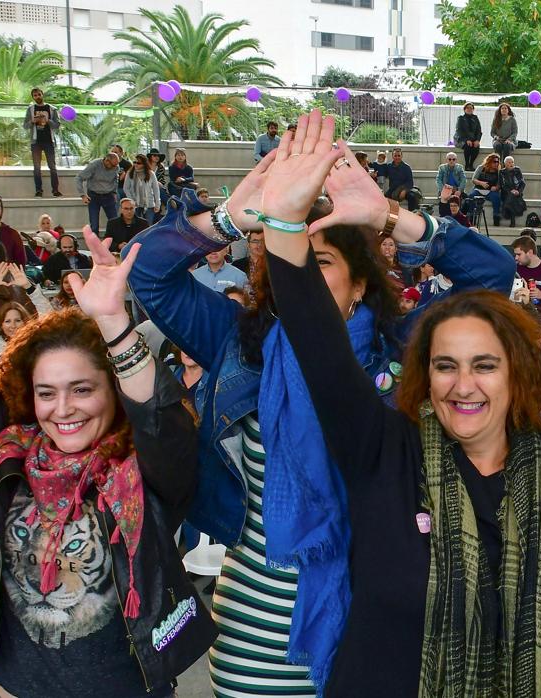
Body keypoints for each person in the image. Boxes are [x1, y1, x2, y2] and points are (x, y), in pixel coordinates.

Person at [127, 116, 515, 695]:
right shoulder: (239, 341)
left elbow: (493, 276)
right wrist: (231, 219)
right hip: (253, 636)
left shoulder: (403, 350)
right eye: (292, 257)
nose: (302, 271)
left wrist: (388, 216)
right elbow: (146, 272)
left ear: (360, 283)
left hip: (370, 628)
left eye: (322, 261)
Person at [251, 114, 541, 694]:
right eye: (445, 365)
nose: (463, 385)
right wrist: (282, 222)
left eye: (485, 365)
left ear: (518, 375)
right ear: (423, 376)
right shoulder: (384, 453)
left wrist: (390, 217)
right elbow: (316, 337)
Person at [0, 227, 217, 697]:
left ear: (113, 390)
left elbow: (161, 422)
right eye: (47, 393)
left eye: (82, 389)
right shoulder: (11, 457)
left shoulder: (144, 472)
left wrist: (115, 326)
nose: (63, 409)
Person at [0, 256, 52, 366]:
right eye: (7, 321)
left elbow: (48, 315)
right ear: (1, 325)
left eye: (18, 320)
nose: (13, 325)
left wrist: (28, 286)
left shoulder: (34, 340)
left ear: (25, 323)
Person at [23, 87, 62, 197]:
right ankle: (39, 190)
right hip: (36, 142)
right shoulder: (30, 109)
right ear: (33, 97)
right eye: (35, 95)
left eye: (39, 94)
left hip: (49, 141)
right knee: (36, 167)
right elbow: (25, 126)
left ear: (42, 94)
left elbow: (57, 125)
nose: (37, 97)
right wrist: (32, 121)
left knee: (52, 167)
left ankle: (55, 190)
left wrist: (47, 120)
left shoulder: (52, 109)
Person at [76, 152, 121, 234]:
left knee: (115, 222)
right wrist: (82, 195)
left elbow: (115, 180)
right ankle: (94, 241)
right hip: (94, 195)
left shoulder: (116, 167)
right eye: (113, 165)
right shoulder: (94, 165)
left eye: (116, 165)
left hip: (109, 195)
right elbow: (79, 178)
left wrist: (114, 192)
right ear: (106, 161)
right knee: (94, 224)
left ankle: (114, 240)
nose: (115, 167)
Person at [122, 154, 162, 224]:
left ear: (144, 164)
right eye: (134, 162)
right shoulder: (130, 173)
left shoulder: (151, 174)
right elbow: (126, 188)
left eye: (139, 163)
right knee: (136, 225)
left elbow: (156, 189)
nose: (136, 164)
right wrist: (131, 200)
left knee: (148, 224)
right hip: (135, 204)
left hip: (149, 203)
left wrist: (157, 204)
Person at [471, 152, 504, 225]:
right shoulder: (481, 168)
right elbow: (474, 179)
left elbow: (499, 184)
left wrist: (496, 187)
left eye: (497, 162)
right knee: (471, 196)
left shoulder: (499, 171)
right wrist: (481, 183)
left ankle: (496, 217)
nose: (496, 163)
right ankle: (472, 217)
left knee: (496, 198)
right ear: (489, 161)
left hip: (490, 191)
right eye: (494, 162)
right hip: (479, 189)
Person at [498, 155, 527, 226]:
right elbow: (502, 185)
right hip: (506, 193)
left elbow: (522, 183)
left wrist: (518, 191)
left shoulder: (517, 170)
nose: (511, 164)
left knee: (512, 198)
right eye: (509, 162)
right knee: (511, 196)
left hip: (517, 193)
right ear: (505, 164)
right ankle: (512, 219)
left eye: (512, 162)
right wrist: (510, 191)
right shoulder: (501, 172)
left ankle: (505, 211)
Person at [454, 102, 482, 170]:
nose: (469, 109)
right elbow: (459, 131)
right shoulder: (461, 118)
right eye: (468, 108)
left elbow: (479, 131)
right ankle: (467, 165)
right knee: (468, 146)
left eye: (471, 108)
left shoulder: (475, 118)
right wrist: (466, 140)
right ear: (464, 109)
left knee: (476, 147)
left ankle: (471, 164)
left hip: (473, 139)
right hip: (461, 139)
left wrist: (477, 140)